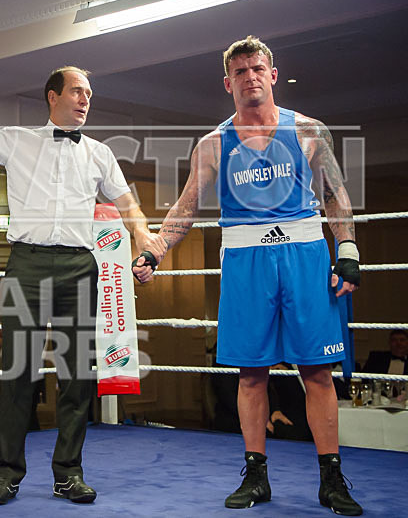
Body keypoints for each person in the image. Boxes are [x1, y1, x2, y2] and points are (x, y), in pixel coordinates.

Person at [0, 52, 165, 504]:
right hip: (27, 264)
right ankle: (7, 472)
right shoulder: (17, 140)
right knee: (18, 373)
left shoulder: (100, 153)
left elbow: (130, 208)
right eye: (76, 91)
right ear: (53, 96)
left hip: (78, 266)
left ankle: (68, 472)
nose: (85, 99)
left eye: (89, 93)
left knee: (77, 374)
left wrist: (146, 241)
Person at [134, 36, 362, 515]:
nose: (250, 77)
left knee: (317, 372)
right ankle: (256, 475)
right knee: (251, 373)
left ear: (273, 75)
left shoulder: (309, 131)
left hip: (304, 255)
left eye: (257, 68)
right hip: (245, 262)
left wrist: (348, 250)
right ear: (228, 83)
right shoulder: (214, 144)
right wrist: (155, 249)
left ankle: (332, 479)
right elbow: (187, 207)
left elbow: (337, 194)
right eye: (240, 72)